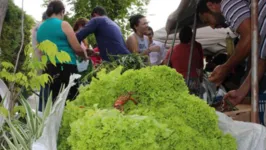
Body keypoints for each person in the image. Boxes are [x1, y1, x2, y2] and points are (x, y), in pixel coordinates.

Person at [198, 0, 266, 106]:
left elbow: (250, 38)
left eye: (207, 20)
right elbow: (261, 59)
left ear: (211, 5)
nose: (212, 27)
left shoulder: (226, 3)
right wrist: (240, 92)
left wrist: (225, 68)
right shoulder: (258, 27)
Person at [37, 1, 91, 110]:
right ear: (62, 12)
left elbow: (41, 52)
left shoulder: (40, 28)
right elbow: (76, 48)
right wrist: (85, 56)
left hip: (48, 68)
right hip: (65, 67)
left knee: (53, 102)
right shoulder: (63, 24)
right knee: (69, 101)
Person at [163, 26, 204, 96]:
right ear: (191, 37)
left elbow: (166, 65)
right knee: (195, 102)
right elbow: (200, 67)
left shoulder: (172, 50)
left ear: (179, 37)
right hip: (193, 81)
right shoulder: (195, 49)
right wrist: (200, 79)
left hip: (178, 80)